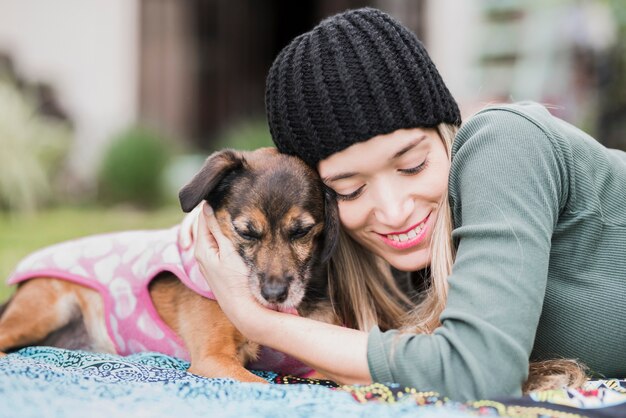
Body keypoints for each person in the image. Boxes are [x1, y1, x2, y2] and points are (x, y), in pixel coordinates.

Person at [186, 8, 626, 401]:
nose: (395, 212)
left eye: (413, 165)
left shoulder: (505, 143)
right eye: (350, 190)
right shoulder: (397, 271)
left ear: (444, 133)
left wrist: (260, 321)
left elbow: (480, 371)